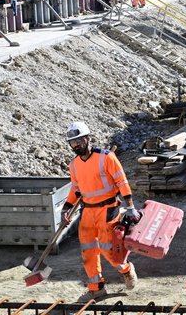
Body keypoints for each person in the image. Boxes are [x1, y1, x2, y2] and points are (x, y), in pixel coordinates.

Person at [60, 121, 141, 300]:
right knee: (88, 251)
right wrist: (65, 209)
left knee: (108, 250)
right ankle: (96, 288)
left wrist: (130, 207)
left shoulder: (106, 157)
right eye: (73, 143)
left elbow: (122, 182)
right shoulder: (73, 165)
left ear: (88, 138)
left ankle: (127, 270)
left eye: (79, 140)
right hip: (87, 211)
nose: (76, 145)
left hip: (108, 209)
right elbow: (75, 189)